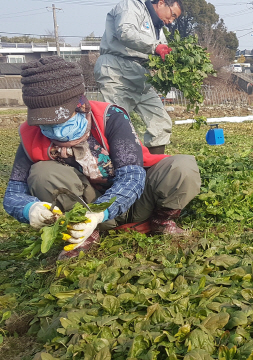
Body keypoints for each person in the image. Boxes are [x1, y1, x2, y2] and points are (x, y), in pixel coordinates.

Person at [3, 57, 201, 260]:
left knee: (182, 166)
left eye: (61, 120)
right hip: (86, 211)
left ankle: (161, 221)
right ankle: (83, 234)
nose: (53, 130)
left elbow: (132, 176)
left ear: (81, 105)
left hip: (138, 203)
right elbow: (13, 194)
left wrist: (100, 213)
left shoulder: (109, 117)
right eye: (44, 123)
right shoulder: (31, 135)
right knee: (42, 173)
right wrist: (28, 209)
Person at [94, 0, 183, 155]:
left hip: (140, 77)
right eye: (172, 15)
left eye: (174, 19)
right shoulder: (132, 6)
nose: (170, 21)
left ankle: (154, 170)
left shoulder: (159, 29)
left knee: (160, 122)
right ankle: (118, 172)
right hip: (117, 72)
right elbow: (125, 32)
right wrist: (155, 47)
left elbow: (161, 52)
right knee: (118, 125)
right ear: (161, 3)